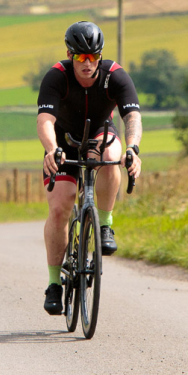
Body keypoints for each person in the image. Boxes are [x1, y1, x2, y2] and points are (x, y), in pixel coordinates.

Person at [36, 20, 142, 315]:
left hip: (99, 135)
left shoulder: (114, 76)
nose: (87, 63)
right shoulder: (56, 77)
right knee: (59, 207)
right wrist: (50, 149)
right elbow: (45, 121)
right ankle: (54, 283)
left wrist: (133, 148)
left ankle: (105, 224)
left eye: (93, 57)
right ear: (70, 55)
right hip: (63, 143)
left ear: (100, 56)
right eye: (80, 57)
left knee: (111, 155)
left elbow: (132, 117)